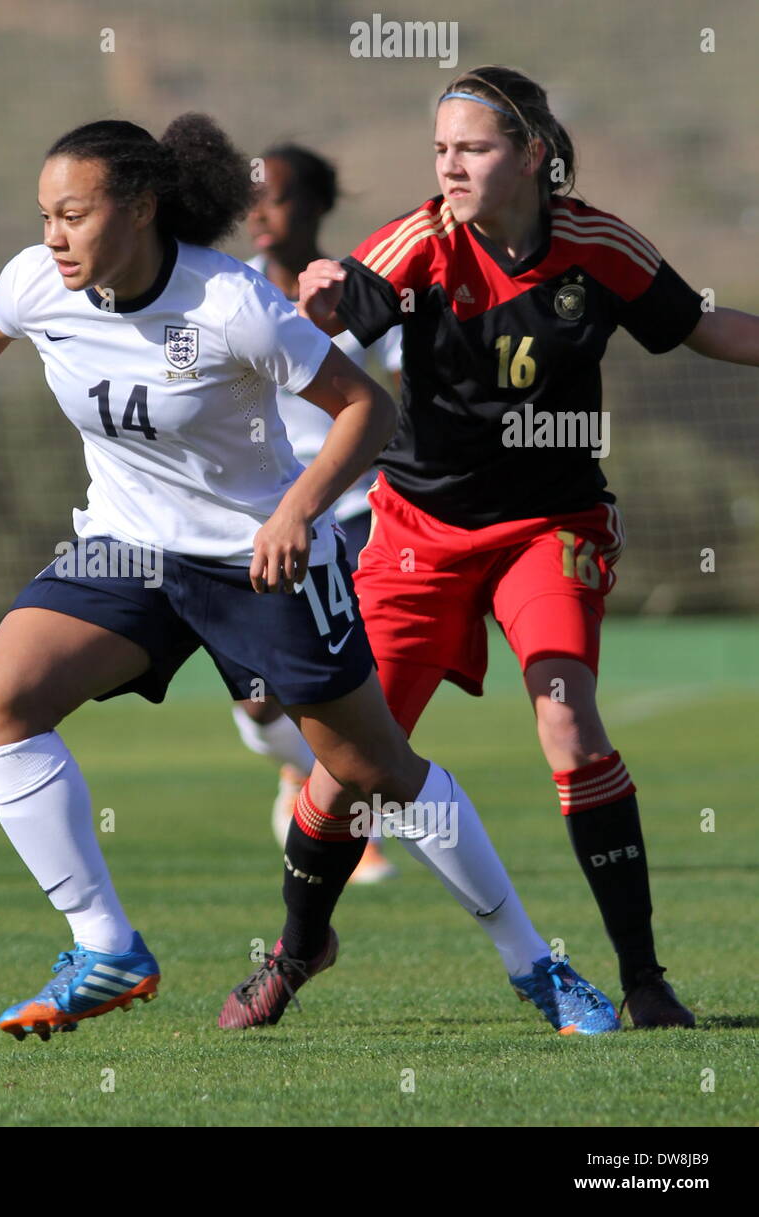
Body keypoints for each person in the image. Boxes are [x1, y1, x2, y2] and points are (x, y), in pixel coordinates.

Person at [0, 113, 608, 1043]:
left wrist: (296, 513)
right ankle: (107, 946)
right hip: (128, 551)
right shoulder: (39, 283)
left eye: (73, 215)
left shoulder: (230, 303)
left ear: (140, 208)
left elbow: (366, 409)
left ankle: (536, 965)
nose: (53, 235)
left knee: (374, 773)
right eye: (44, 214)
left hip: (257, 560)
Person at [272, 64, 759, 1028]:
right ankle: (292, 954)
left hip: (552, 525)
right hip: (421, 529)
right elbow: (337, 321)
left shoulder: (598, 246)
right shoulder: (417, 244)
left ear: (533, 156)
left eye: (474, 148)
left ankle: (644, 978)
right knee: (351, 762)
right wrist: (321, 301)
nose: (451, 166)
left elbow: (700, 328)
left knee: (569, 721)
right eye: (441, 149)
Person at [239, 143, 401, 877]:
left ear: (314, 206)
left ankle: (344, 813)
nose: (260, 212)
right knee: (258, 699)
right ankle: (299, 775)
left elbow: (403, 394)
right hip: (252, 519)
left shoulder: (362, 292)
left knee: (352, 683)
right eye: (250, 198)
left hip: (353, 512)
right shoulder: (229, 294)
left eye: (276, 196)